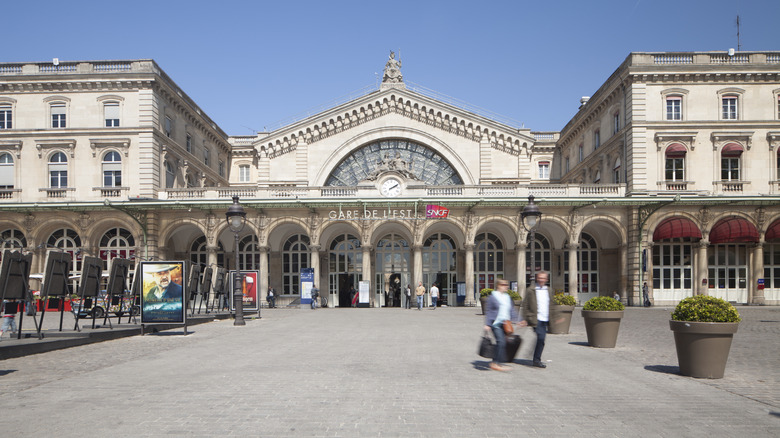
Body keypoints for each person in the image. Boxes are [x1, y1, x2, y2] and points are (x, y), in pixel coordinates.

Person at [520, 271, 555, 368]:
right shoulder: (531, 290)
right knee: (540, 337)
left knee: (541, 340)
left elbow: (551, 304)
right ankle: (536, 360)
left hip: (545, 318)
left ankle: (534, 356)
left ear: (546, 279)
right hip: (535, 318)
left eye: (543, 278)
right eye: (540, 278)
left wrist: (554, 318)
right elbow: (525, 304)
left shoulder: (549, 290)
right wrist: (524, 319)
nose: (541, 280)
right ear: (536, 278)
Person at [483, 279, 517, 371]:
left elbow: (512, 310)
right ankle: (495, 363)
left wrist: (518, 320)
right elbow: (489, 311)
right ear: (498, 286)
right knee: (501, 341)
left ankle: (495, 361)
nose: (506, 286)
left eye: (506, 284)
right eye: (503, 284)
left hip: (505, 323)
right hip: (496, 323)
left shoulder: (507, 297)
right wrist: (487, 324)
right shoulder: (493, 297)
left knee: (503, 343)